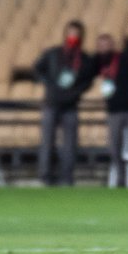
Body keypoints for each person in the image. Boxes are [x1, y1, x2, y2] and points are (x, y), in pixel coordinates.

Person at [33, 20, 97, 186]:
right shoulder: (53, 54)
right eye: (70, 33)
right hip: (51, 104)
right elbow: (38, 69)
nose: (73, 37)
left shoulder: (84, 59)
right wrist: (49, 84)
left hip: (71, 106)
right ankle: (45, 177)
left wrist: (77, 92)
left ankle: (67, 178)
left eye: (76, 34)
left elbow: (89, 80)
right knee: (47, 142)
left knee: (69, 145)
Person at [96, 33, 128, 189]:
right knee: (114, 147)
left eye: (106, 44)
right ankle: (120, 180)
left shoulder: (126, 59)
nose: (104, 48)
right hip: (114, 110)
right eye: (101, 45)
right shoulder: (98, 62)